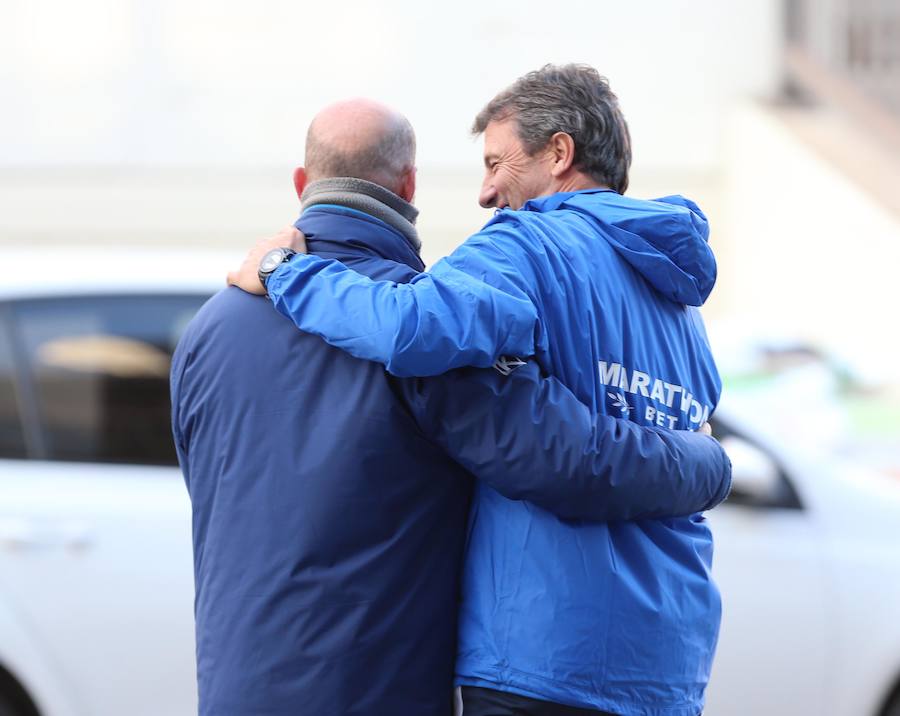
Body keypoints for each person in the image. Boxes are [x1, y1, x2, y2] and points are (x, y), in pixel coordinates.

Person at [175, 98, 729, 716]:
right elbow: (555, 450)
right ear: (409, 184)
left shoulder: (207, 328)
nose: (486, 193)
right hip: (655, 668)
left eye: (496, 163)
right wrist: (709, 463)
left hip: (248, 687)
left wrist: (285, 271)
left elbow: (415, 332)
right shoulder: (681, 310)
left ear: (560, 153)